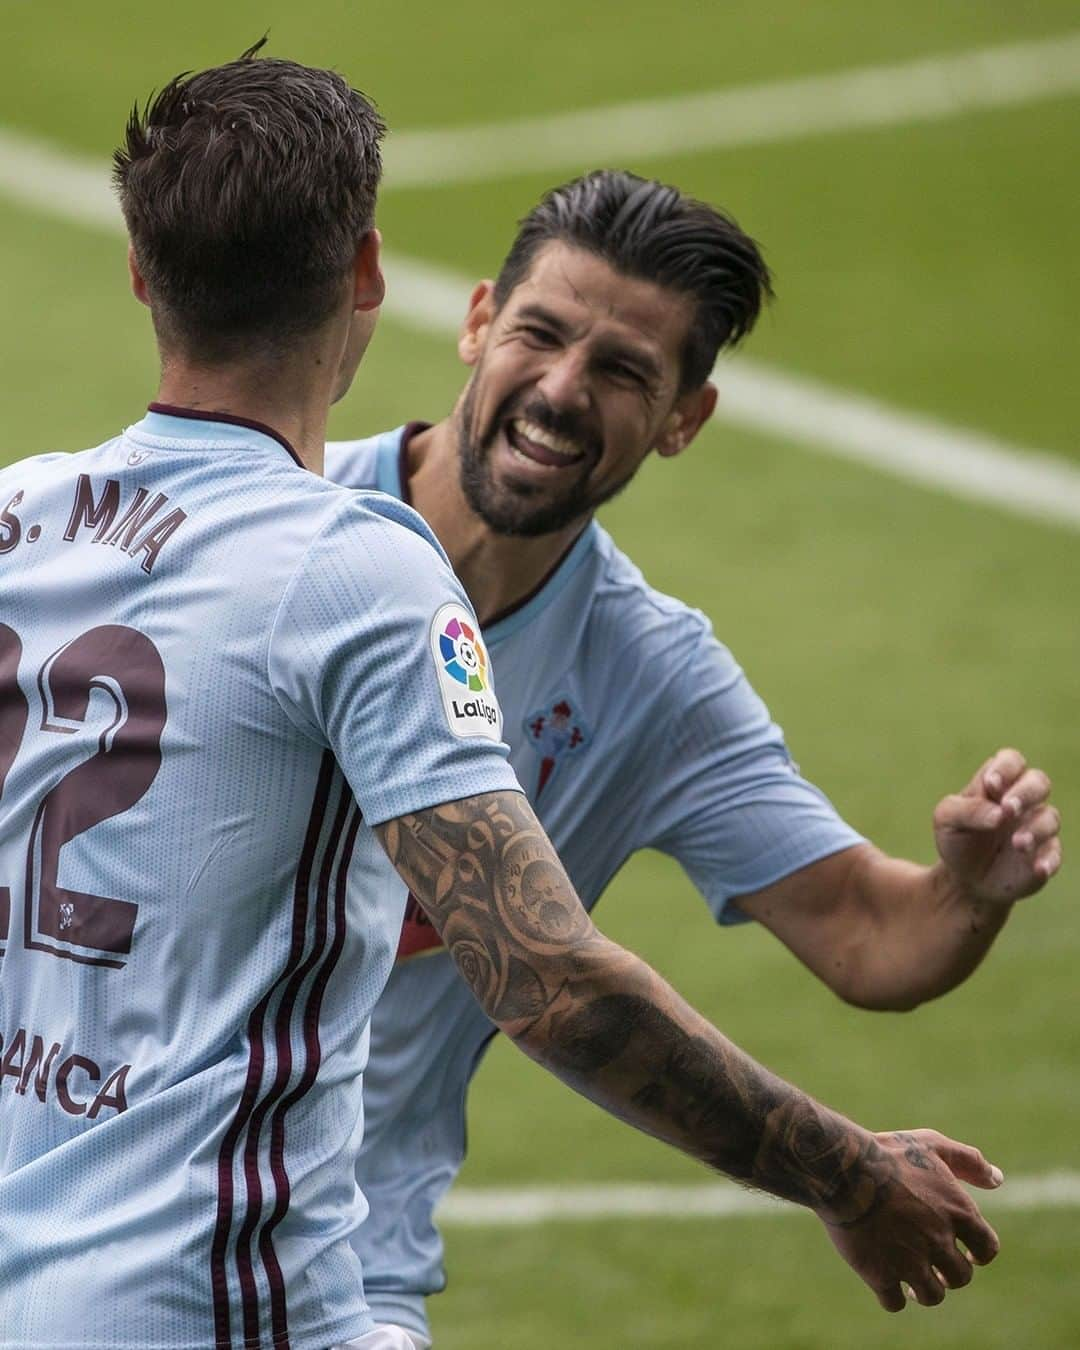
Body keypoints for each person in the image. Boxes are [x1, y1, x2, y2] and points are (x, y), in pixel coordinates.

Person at [324, 170, 1062, 1347]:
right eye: (541, 334)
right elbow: (551, 982)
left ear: (684, 420)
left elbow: (874, 934)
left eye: (622, 371)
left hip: (336, 1265)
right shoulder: (272, 527)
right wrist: (843, 1171)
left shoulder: (650, 677)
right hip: (81, 1206)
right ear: (476, 322)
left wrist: (969, 891)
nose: (562, 391)